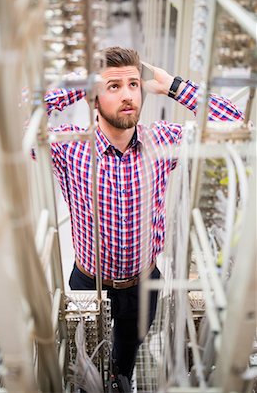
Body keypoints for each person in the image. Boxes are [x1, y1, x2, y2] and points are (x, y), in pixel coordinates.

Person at [44, 47, 244, 384]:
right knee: (86, 360)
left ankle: (121, 381)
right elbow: (12, 116)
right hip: (88, 285)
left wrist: (175, 87)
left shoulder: (161, 140)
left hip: (144, 284)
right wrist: (78, 87)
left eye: (133, 84)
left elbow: (236, 124)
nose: (128, 96)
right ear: (93, 98)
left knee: (126, 355)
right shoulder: (70, 148)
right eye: (113, 86)